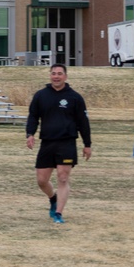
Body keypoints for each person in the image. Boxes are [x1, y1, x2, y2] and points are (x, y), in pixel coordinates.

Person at [26, 64, 92, 224]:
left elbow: (83, 122)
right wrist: (30, 134)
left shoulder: (75, 97)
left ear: (65, 76)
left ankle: (58, 214)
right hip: (47, 142)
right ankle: (53, 198)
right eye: (54, 73)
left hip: (67, 142)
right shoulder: (41, 95)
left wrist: (87, 144)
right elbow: (33, 116)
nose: (56, 76)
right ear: (50, 76)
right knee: (41, 180)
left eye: (60, 74)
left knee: (63, 177)